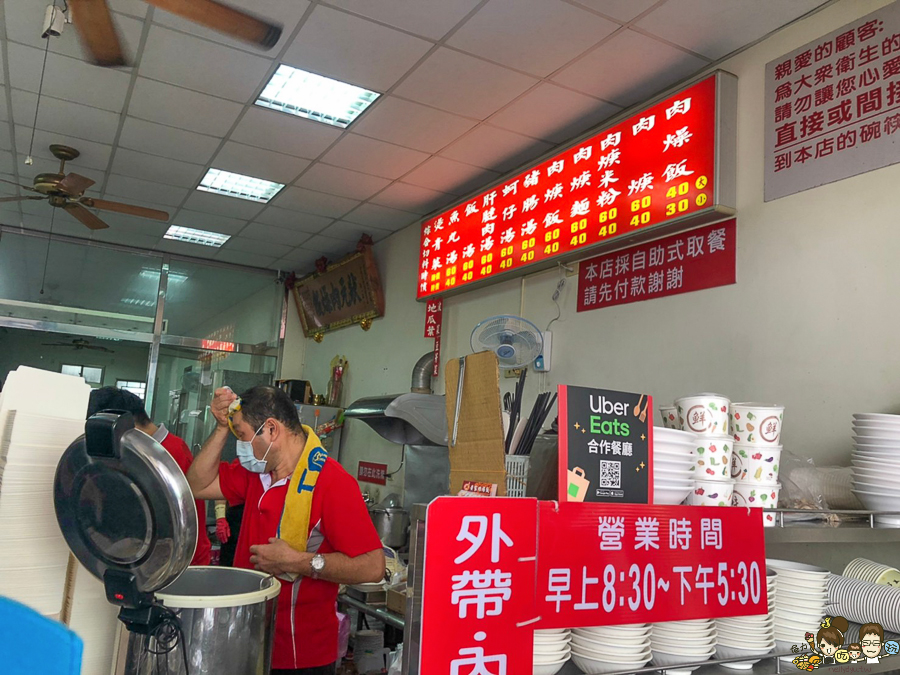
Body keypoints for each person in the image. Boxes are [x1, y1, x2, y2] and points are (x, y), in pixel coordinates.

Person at [186, 385, 384, 675]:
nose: (241, 446)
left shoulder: (331, 483)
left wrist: (296, 562)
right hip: (248, 638)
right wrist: (221, 429)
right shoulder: (256, 474)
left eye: (242, 436)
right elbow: (197, 485)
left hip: (301, 654)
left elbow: (373, 567)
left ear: (271, 429)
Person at [87, 387, 212, 566]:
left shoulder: (170, 452)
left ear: (124, 423)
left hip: (177, 564)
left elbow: (181, 522)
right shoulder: (133, 452)